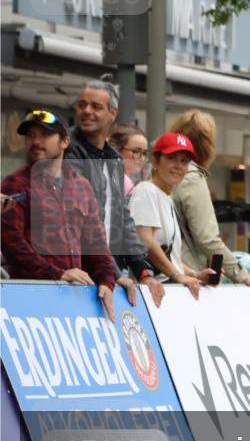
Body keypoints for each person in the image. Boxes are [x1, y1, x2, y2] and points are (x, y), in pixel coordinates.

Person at [1, 110, 118, 320]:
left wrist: (107, 281)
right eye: (30, 136)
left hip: (76, 301)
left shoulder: (81, 186)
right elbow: (12, 244)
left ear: (65, 141)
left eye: (44, 135)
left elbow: (96, 243)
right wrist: (57, 274)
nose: (35, 141)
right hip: (30, 303)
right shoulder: (15, 184)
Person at [63, 80, 165, 308]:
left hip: (109, 275)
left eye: (96, 106)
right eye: (82, 105)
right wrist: (112, 271)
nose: (87, 111)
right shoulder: (66, 150)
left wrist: (143, 270)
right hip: (79, 278)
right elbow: (84, 222)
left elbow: (122, 219)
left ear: (113, 113)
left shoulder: (115, 159)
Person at [169, 110, 250, 300]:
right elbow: (207, 239)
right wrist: (243, 275)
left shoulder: (163, 176)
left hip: (168, 272)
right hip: (185, 281)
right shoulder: (191, 178)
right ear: (208, 145)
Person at [129, 133, 216, 299]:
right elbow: (145, 241)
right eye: (171, 158)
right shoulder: (146, 190)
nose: (178, 166)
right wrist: (177, 275)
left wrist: (194, 274)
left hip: (164, 292)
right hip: (147, 294)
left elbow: (167, 253)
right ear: (155, 161)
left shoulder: (165, 196)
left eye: (184, 161)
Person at [107, 125, 148, 196]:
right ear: (117, 150)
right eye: (136, 151)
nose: (142, 158)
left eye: (144, 153)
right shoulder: (121, 181)